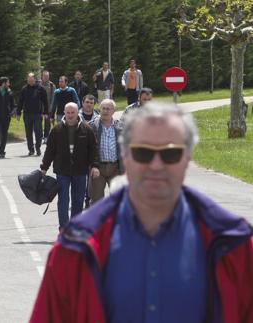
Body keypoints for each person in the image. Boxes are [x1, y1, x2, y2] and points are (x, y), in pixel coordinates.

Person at [30, 103, 253, 323]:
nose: (156, 165)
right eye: (143, 152)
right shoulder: (74, 249)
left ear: (188, 160)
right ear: (125, 157)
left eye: (171, 153)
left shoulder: (234, 246)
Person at [40, 102, 99, 229]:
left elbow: (93, 150)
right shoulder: (56, 129)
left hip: (80, 171)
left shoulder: (87, 129)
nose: (70, 115)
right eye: (68, 113)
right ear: (64, 113)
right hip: (62, 171)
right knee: (63, 201)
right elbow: (50, 150)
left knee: (78, 201)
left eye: (73, 112)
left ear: (78, 113)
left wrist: (94, 165)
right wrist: (44, 167)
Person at [88, 99, 123, 205]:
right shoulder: (92, 126)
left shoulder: (120, 127)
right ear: (99, 109)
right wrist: (91, 166)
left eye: (108, 109)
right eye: (103, 108)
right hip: (98, 168)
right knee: (97, 200)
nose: (105, 111)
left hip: (115, 168)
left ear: (114, 111)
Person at [17, 72, 49, 156]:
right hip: (27, 114)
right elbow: (20, 101)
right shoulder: (24, 89)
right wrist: (18, 113)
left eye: (32, 79)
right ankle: (31, 150)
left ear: (35, 79)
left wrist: (45, 112)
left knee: (38, 132)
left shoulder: (40, 88)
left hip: (37, 114)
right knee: (28, 133)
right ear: (27, 80)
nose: (30, 81)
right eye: (29, 79)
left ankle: (38, 147)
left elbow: (45, 101)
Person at [40, 70, 56, 144]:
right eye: (44, 76)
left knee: (47, 123)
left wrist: (51, 108)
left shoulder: (52, 85)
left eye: (47, 76)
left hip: (48, 108)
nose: (46, 77)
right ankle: (39, 137)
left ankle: (46, 136)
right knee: (38, 123)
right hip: (39, 108)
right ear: (42, 76)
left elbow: (53, 97)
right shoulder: (38, 84)